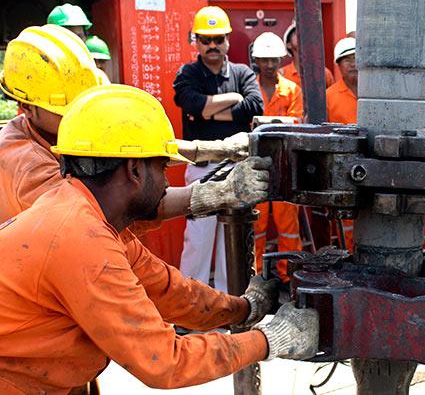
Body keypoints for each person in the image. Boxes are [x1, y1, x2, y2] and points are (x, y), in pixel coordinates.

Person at [0, 83, 319, 393]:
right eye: (163, 166)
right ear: (134, 171)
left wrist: (246, 307)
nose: (168, 181)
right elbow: (165, 362)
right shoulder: (81, 240)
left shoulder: (94, 219)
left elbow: (172, 292)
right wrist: (273, 338)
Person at [0, 25, 254, 228]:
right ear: (27, 107)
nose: (81, 114)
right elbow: (111, 209)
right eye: (69, 110)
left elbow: (130, 145)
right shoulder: (27, 164)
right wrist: (217, 193)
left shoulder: (58, 126)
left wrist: (217, 149)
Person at [173, 6, 264, 292]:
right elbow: (189, 102)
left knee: (234, 238)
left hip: (238, 167)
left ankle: (230, 301)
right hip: (203, 170)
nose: (212, 46)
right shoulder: (188, 73)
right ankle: (191, 304)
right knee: (199, 238)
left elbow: (254, 105)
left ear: (227, 40)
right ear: (196, 41)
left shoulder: (243, 72)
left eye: (217, 39)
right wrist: (231, 101)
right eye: (205, 40)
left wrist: (209, 110)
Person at [251, 32, 304, 282]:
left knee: (288, 226)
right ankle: (255, 274)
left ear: (281, 60)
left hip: (284, 165)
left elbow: (298, 123)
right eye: (265, 60)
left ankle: (289, 276)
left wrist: (266, 124)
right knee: (256, 224)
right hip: (255, 166)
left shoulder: (292, 90)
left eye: (274, 60)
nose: (270, 65)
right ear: (257, 61)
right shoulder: (249, 88)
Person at [325, 37, 358, 252]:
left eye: (357, 58)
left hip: (372, 166)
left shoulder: (375, 93)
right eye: (347, 60)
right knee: (344, 223)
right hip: (341, 171)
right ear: (338, 65)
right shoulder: (329, 97)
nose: (353, 64)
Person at [280, 21, 335, 88]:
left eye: (304, 33)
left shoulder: (324, 73)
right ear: (288, 45)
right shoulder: (282, 74)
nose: (301, 36)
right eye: (296, 33)